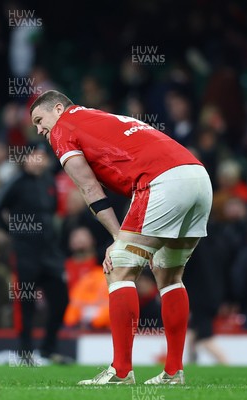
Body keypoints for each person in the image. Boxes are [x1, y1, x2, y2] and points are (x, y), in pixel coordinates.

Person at [30, 90, 212, 385]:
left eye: (40, 120)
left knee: (119, 266)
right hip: (198, 177)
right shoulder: (102, 117)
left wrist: (117, 238)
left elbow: (89, 188)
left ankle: (121, 371)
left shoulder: (63, 128)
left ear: (59, 108)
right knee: (169, 276)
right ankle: (173, 372)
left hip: (162, 181)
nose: (40, 130)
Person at [0, 142, 71, 364]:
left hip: (50, 254)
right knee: (26, 304)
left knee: (61, 299)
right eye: (35, 156)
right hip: (25, 254)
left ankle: (48, 348)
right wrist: (13, 232)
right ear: (25, 159)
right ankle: (25, 352)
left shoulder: (48, 180)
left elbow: (53, 213)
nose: (39, 161)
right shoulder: (15, 182)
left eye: (42, 157)